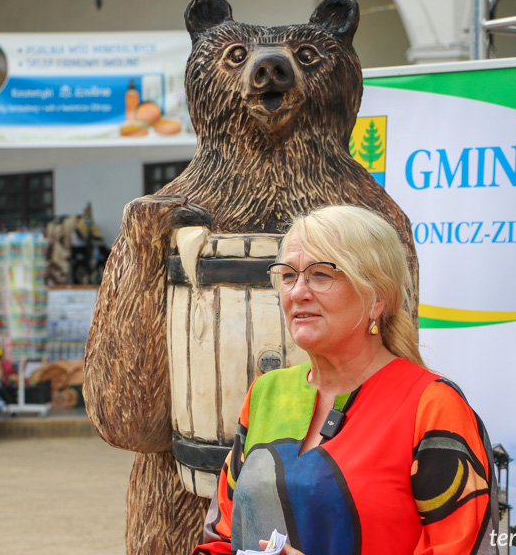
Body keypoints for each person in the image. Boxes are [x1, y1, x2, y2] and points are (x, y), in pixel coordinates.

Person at [192, 205, 499, 555]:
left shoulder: (432, 407)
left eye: (321, 274)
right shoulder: (265, 393)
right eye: (288, 276)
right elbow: (222, 537)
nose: (298, 292)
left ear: (376, 298)